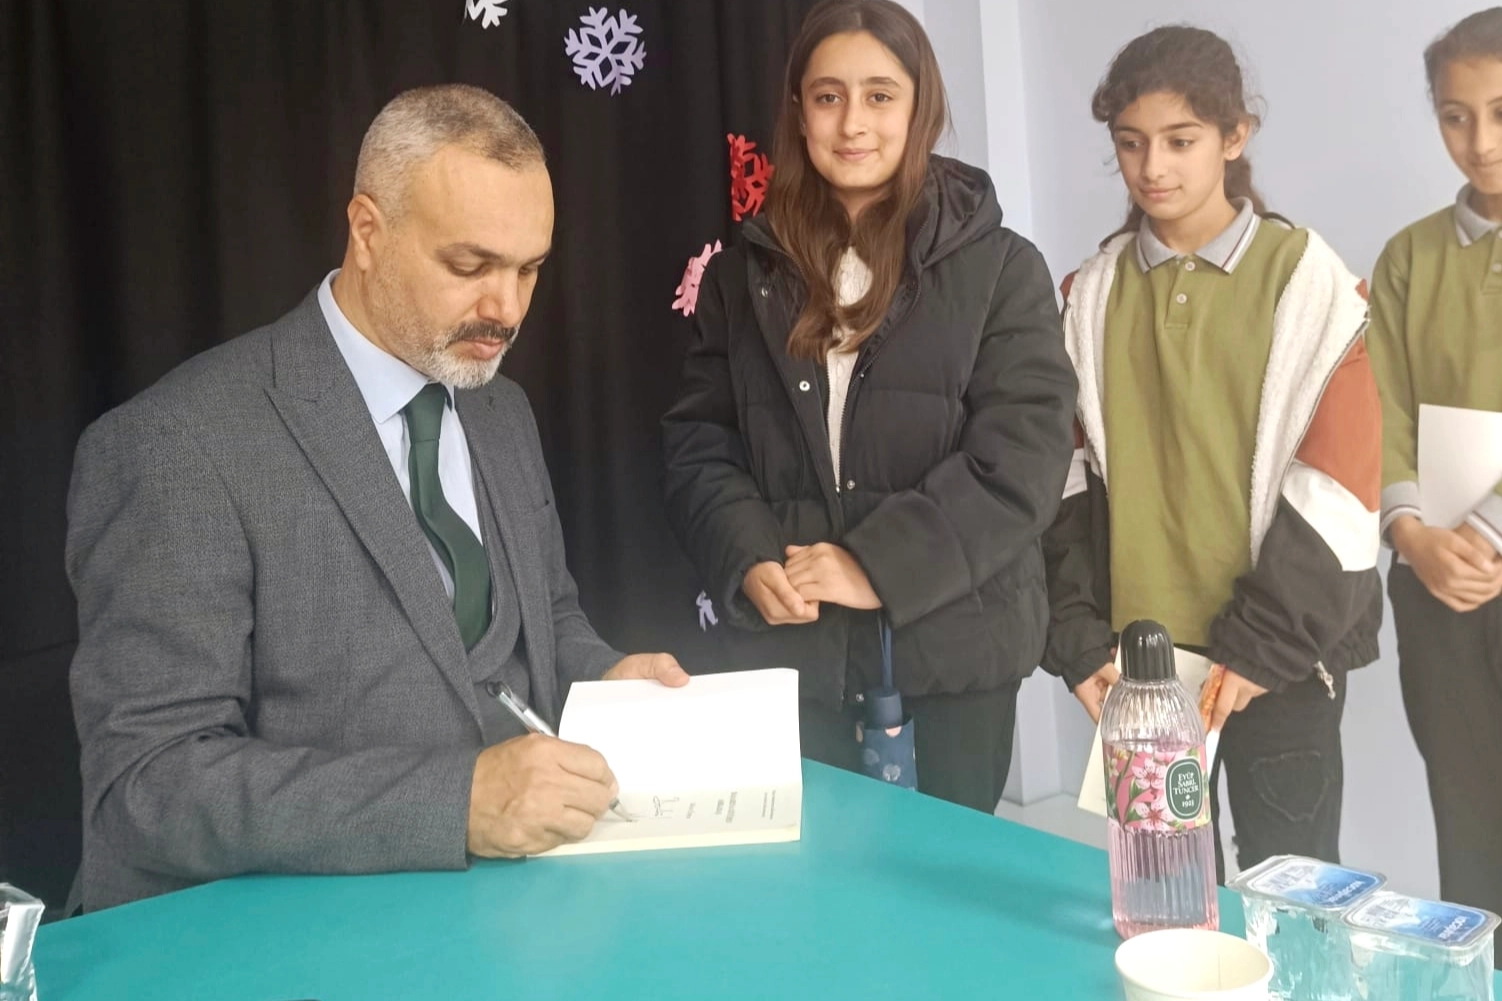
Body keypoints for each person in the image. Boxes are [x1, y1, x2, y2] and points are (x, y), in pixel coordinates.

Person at [66, 84, 688, 912]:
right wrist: (456, 802)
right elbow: (148, 783)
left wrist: (605, 676)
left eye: (529, 269)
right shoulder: (175, 444)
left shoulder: (502, 409)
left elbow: (543, 620)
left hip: (503, 918)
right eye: (469, 266)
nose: (506, 309)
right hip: (279, 936)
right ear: (367, 231)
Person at [661, 0, 1077, 813]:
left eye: (880, 95)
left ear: (921, 108)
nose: (853, 123)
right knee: (815, 885)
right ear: (798, 111)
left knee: (942, 885)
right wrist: (748, 555)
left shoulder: (1002, 268)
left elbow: (1023, 460)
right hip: (794, 656)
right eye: (828, 96)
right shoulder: (742, 276)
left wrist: (875, 565)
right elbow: (699, 444)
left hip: (954, 659)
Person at [1042, 26, 1383, 875]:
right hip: (1142, 670)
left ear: (1235, 137)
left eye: (1180, 140)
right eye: (1131, 142)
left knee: (1293, 895)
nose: (1152, 166)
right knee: (1162, 894)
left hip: (1279, 667)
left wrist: (1261, 648)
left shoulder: (1312, 285)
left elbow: (1342, 489)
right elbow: (1059, 483)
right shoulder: (1086, 298)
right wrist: (1077, 640)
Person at [1367, 7, 1502, 956]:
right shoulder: (1409, 257)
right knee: (1468, 815)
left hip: (1476, 551)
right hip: (1434, 584)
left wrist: (1487, 530)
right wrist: (1412, 535)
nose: (1479, 141)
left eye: (1500, 111)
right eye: (1456, 116)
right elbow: (1384, 410)